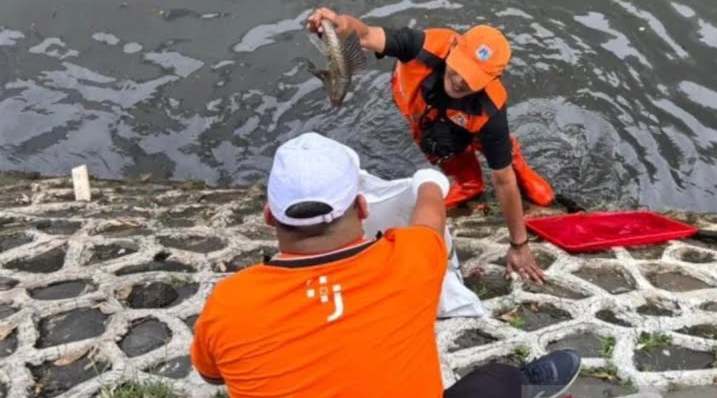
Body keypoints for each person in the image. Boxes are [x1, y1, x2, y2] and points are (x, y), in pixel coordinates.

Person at [190, 132, 581, 398]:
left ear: (270, 217)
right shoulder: (409, 260)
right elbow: (429, 218)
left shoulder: (229, 303)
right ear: (362, 207)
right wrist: (429, 181)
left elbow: (211, 374)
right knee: (496, 381)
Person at [307, 8, 552, 284]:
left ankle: (511, 153)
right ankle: (471, 184)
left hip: (472, 124)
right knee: (443, 149)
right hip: (433, 120)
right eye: (459, 68)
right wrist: (342, 25)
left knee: (541, 196)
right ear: (455, 49)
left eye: (472, 78)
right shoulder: (423, 47)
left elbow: (503, 180)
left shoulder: (490, 110)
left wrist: (519, 244)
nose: (459, 81)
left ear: (490, 81)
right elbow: (366, 35)